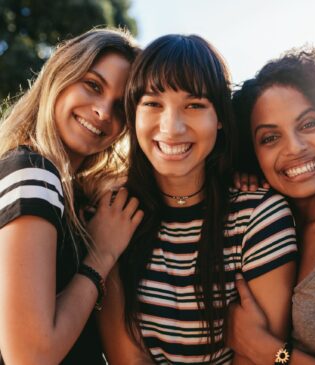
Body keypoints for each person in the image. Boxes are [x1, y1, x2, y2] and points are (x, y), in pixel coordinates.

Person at [98, 34, 298, 364]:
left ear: (220, 118)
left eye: (194, 105)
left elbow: (257, 356)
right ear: (133, 113)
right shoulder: (113, 215)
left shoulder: (259, 214)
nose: (171, 127)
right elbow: (126, 358)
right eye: (152, 103)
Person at [0, 28, 144, 364]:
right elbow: (29, 356)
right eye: (93, 85)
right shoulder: (34, 172)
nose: (104, 113)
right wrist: (100, 256)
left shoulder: (63, 188)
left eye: (121, 106)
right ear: (61, 75)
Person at [230, 48, 315, 364]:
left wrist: (263, 348)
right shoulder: (273, 225)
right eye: (269, 138)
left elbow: (265, 350)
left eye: (308, 124)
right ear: (253, 155)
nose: (295, 148)